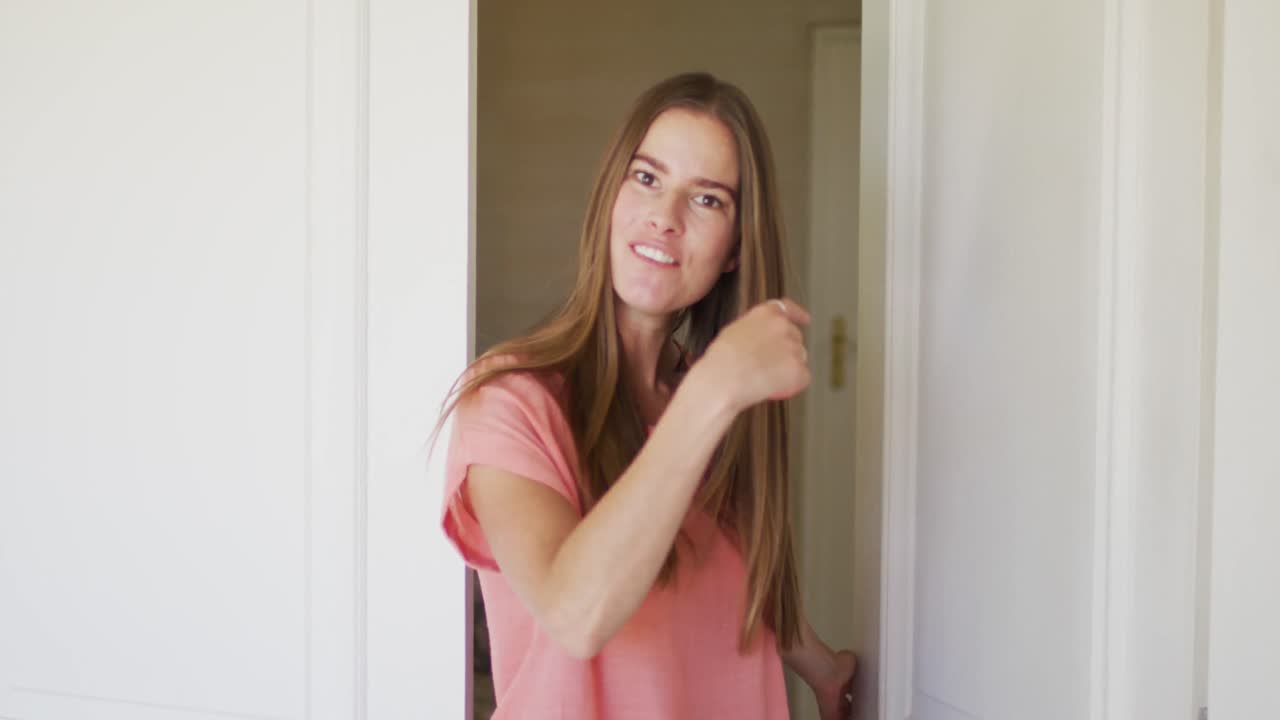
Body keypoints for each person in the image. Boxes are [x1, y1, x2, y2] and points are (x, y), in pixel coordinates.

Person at [432, 72, 857, 719]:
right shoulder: (510, 403)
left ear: (737, 247)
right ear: (611, 195)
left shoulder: (712, 403)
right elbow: (575, 617)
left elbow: (731, 579)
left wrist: (824, 668)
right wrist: (713, 391)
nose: (665, 217)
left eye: (708, 199)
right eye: (648, 178)